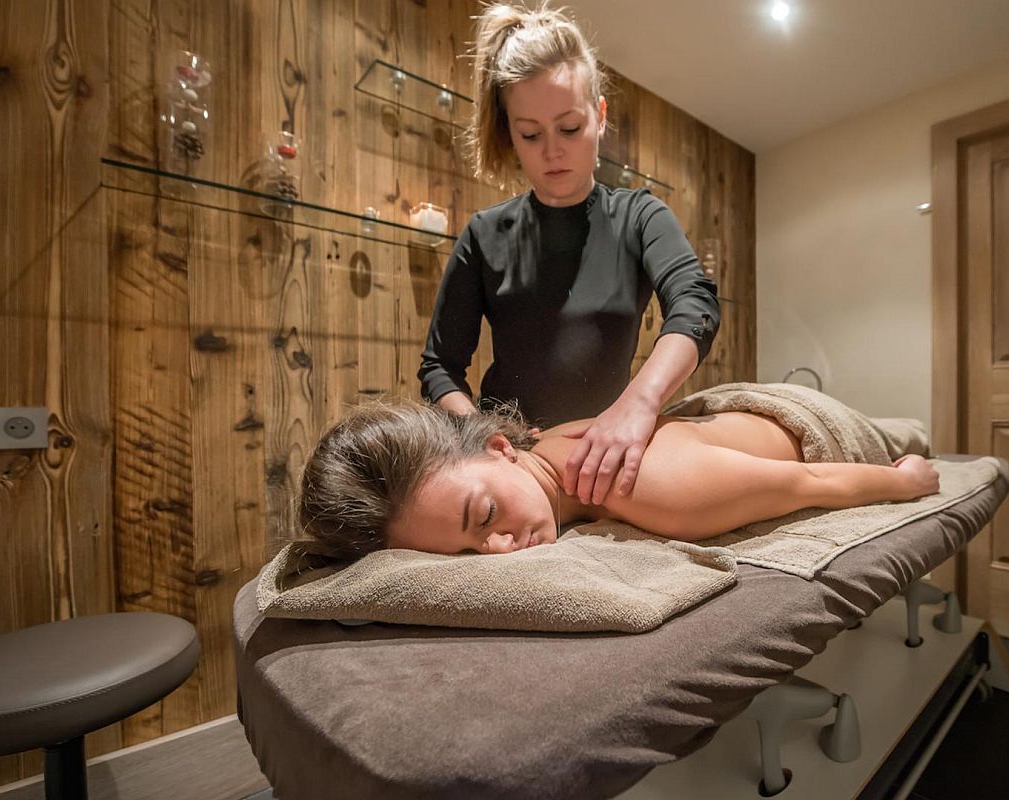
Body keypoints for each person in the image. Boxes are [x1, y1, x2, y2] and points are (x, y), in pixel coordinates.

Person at [418, 1, 720, 509]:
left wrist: (639, 405)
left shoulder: (640, 217)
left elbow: (696, 304)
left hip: (605, 454)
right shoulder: (484, 234)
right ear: (509, 134)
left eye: (570, 128)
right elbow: (439, 367)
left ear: (599, 119)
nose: (552, 151)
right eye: (531, 134)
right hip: (510, 464)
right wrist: (485, 436)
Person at [298, 401, 941, 561]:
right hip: (718, 421)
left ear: (501, 450)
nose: (497, 551)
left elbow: (813, 483)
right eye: (465, 556)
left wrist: (904, 483)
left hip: (808, 422)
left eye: (485, 516)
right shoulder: (539, 453)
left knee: (905, 432)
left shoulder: (652, 487)